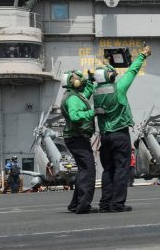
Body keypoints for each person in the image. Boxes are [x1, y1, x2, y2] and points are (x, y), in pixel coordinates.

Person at [93, 46, 151, 212]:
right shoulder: (118, 89)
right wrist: (142, 55)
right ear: (110, 76)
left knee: (108, 170)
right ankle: (117, 203)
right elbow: (132, 71)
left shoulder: (96, 92)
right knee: (121, 169)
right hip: (119, 135)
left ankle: (105, 204)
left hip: (104, 136)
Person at [61, 69, 100, 214]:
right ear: (73, 81)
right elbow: (75, 116)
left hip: (75, 138)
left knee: (84, 171)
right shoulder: (72, 99)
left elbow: (87, 92)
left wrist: (90, 80)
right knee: (88, 171)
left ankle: (76, 203)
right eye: (79, 78)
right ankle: (83, 206)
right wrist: (93, 112)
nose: (81, 79)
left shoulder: (76, 95)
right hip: (77, 138)